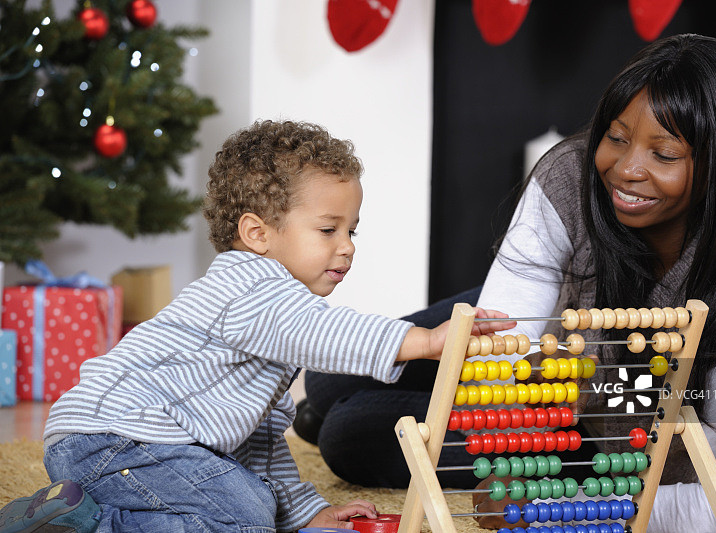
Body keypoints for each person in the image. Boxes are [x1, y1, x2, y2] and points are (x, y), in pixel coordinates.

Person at [300, 34, 716, 532]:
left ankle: (325, 420)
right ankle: (318, 410)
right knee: (327, 380)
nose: (626, 170)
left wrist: (553, 504)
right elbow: (503, 350)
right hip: (538, 332)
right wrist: (527, 387)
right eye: (617, 137)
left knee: (348, 435)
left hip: (594, 441)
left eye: (664, 154)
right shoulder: (571, 175)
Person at [0, 120, 513, 533]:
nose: (348, 246)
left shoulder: (269, 315)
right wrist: (422, 340)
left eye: (352, 230)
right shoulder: (253, 288)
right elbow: (322, 333)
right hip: (115, 440)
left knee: (248, 498)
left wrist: (305, 513)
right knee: (239, 517)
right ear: (257, 233)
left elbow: (261, 440)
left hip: (130, 447)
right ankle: (87, 524)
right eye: (328, 229)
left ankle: (80, 509)